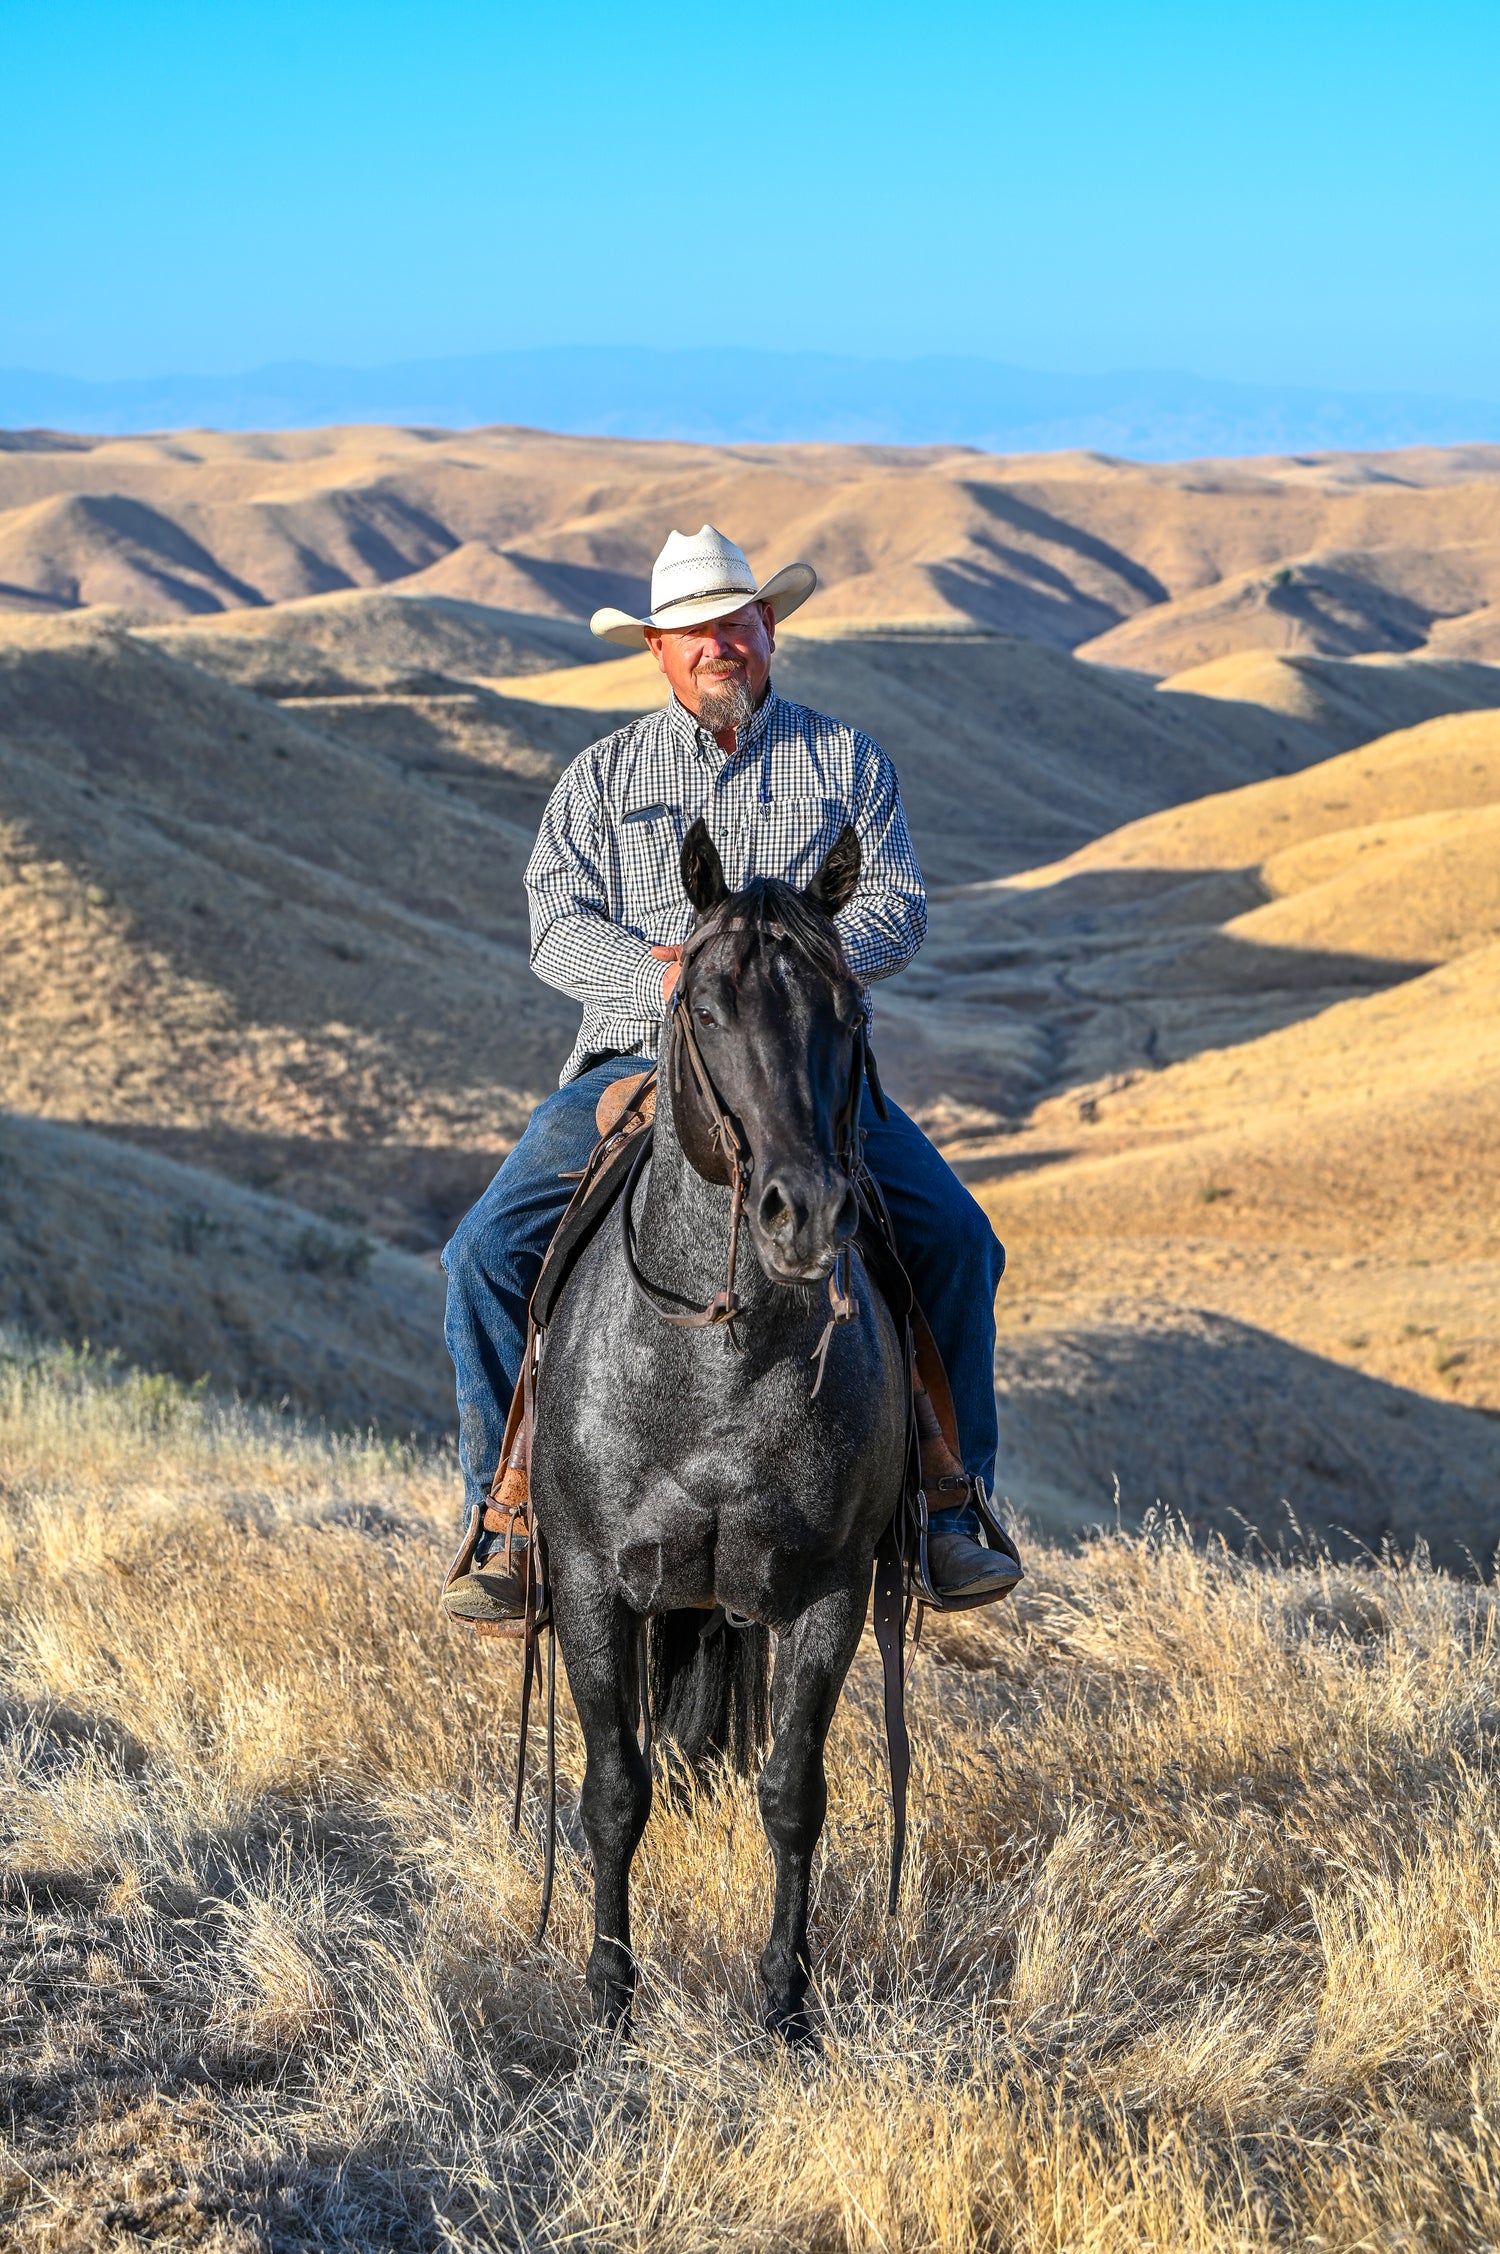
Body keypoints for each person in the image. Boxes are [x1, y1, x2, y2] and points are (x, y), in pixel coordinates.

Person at [441, 524, 1011, 1622]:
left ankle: (948, 1501)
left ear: (769, 635)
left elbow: (897, 904)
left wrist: (795, 957)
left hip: (805, 1074)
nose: (721, 647)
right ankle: (506, 1511)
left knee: (954, 1238)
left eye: (739, 626)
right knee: (483, 1253)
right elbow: (555, 923)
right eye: (696, 632)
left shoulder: (845, 764)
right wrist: (664, 977)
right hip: (635, 1067)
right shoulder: (603, 778)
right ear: (656, 648)